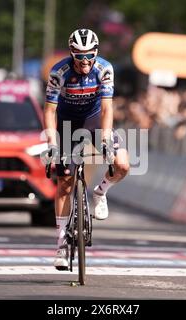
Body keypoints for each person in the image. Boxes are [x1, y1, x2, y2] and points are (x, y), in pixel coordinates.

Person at [43, 29, 130, 270]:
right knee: (65, 181)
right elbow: (49, 110)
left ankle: (100, 192)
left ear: (96, 53)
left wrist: (104, 138)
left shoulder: (104, 69)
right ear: (71, 54)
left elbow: (106, 109)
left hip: (94, 119)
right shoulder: (59, 72)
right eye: (79, 56)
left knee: (122, 164)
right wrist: (51, 144)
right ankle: (61, 245)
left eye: (89, 55)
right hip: (67, 124)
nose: (84, 61)